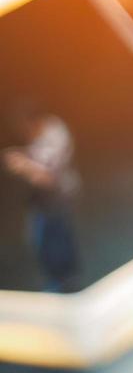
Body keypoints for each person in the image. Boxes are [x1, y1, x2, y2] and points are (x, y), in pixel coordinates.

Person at [3, 103, 82, 292]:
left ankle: (64, 286)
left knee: (55, 244)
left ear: (33, 121)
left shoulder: (55, 134)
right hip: (41, 201)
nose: (22, 131)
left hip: (57, 199)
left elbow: (47, 178)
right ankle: (60, 281)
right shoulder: (43, 130)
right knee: (43, 242)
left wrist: (23, 165)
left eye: (23, 126)